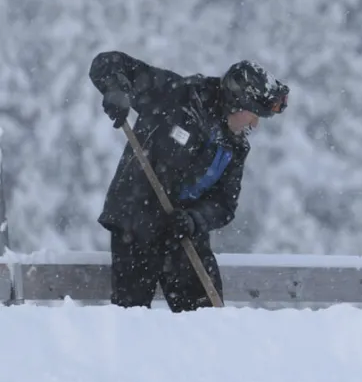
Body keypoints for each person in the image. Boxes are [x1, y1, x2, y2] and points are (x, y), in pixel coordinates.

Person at [88, 51, 289, 311]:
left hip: (182, 235)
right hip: (135, 225)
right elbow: (107, 63)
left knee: (205, 318)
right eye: (254, 114)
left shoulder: (235, 147)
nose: (255, 124)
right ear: (237, 102)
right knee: (132, 316)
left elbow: (224, 204)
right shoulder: (177, 95)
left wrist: (194, 219)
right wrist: (116, 91)